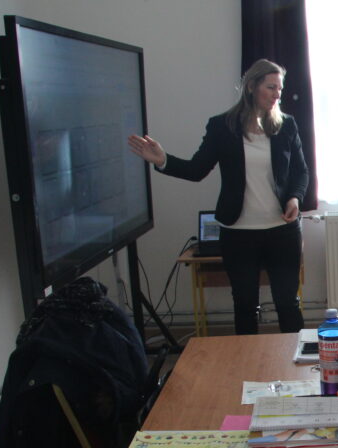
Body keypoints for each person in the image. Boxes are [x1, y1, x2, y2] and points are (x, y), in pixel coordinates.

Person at [128, 59, 308, 335]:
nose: (277, 94)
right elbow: (197, 170)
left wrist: (295, 198)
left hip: (282, 231)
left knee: (288, 304)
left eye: (280, 89)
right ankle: (248, 360)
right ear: (251, 87)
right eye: (271, 87)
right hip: (239, 232)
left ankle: (297, 360)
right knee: (245, 306)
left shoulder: (287, 125)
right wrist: (163, 160)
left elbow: (300, 172)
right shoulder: (222, 126)